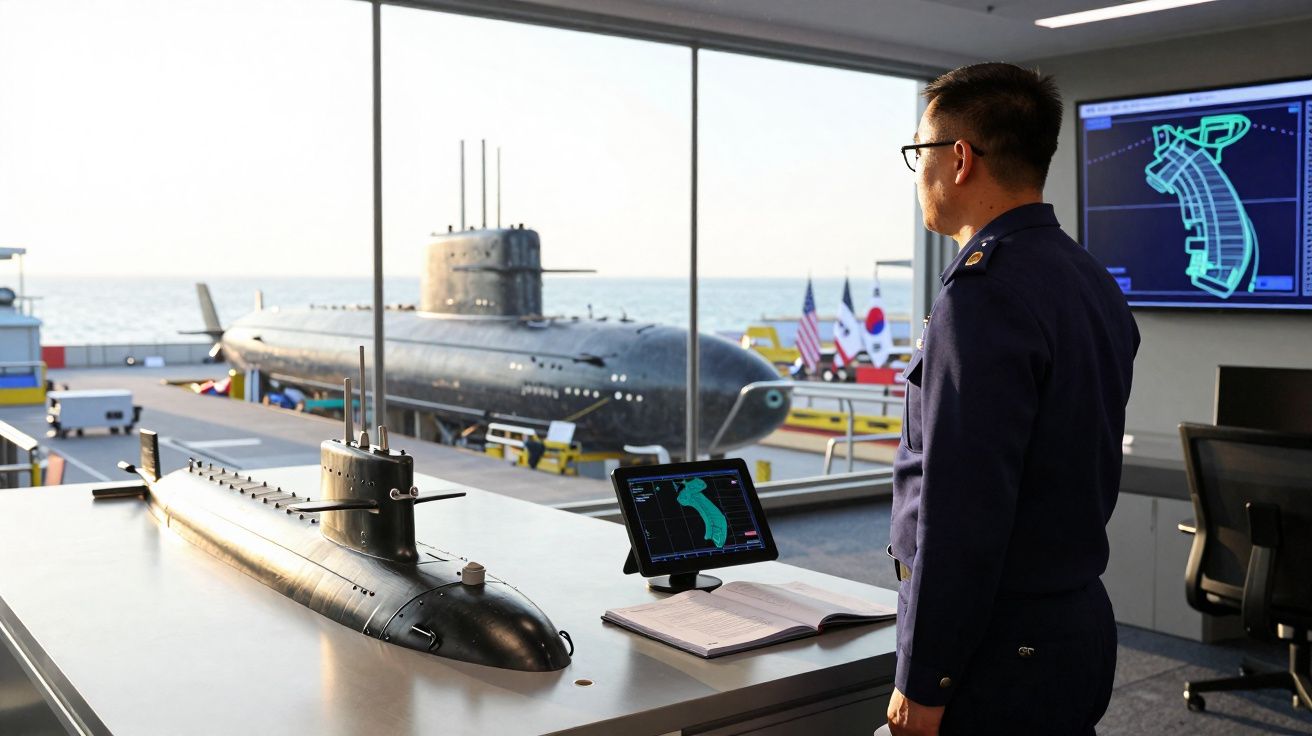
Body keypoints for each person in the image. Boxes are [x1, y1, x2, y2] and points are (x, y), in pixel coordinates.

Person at [881, 63, 1139, 735]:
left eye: (920, 153)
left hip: (996, 651)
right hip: (1071, 626)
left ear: (959, 159)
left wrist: (925, 677)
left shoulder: (982, 296)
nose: (918, 175)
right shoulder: (1089, 280)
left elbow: (962, 511)